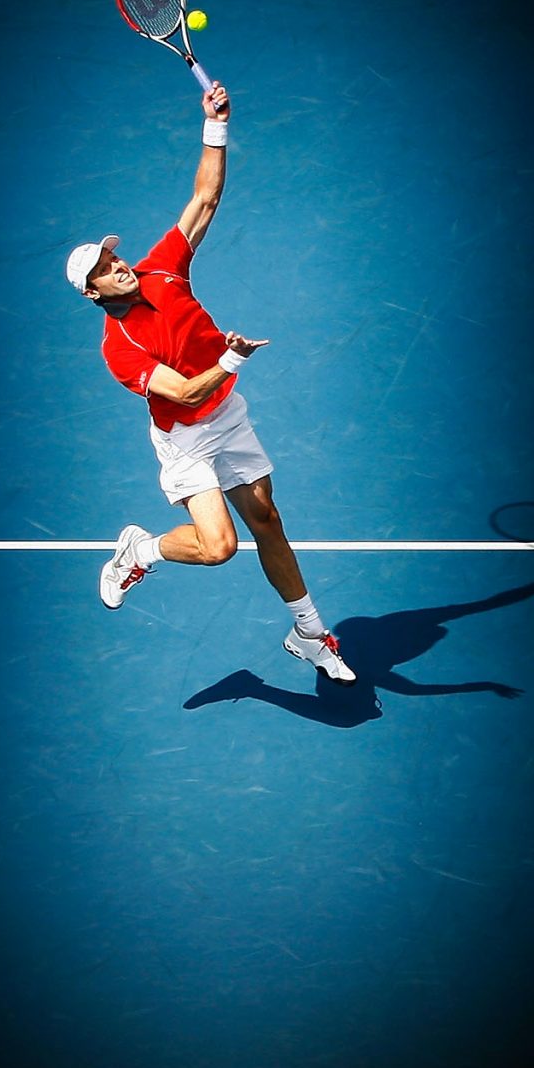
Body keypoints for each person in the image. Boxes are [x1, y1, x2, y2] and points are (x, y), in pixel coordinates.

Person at [65, 80, 357, 685]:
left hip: (227, 414)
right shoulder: (119, 350)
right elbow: (185, 393)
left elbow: (204, 197)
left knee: (266, 519)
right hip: (187, 439)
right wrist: (233, 359)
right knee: (219, 547)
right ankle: (140, 549)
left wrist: (215, 124)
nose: (119, 266)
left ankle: (309, 633)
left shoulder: (162, 269)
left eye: (114, 258)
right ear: (93, 294)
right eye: (106, 271)